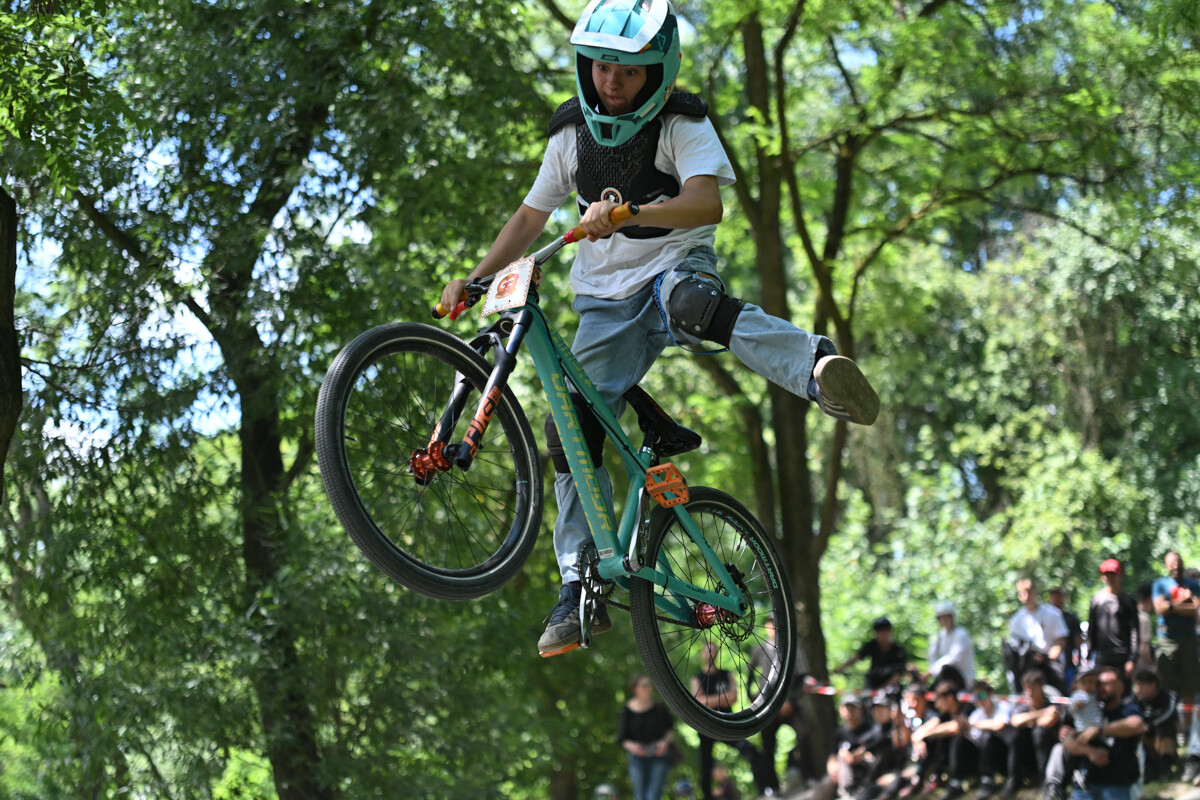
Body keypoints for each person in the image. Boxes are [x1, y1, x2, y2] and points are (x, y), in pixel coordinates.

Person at [439, 0, 880, 658]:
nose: (611, 83)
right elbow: (530, 220)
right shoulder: (570, 137)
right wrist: (475, 279)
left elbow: (708, 201)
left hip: (676, 267)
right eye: (601, 69)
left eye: (628, 72)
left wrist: (631, 213)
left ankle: (816, 371)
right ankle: (578, 582)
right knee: (570, 431)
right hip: (604, 304)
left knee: (694, 308)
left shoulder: (682, 122)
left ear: (658, 73)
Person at [690, 643, 772, 800]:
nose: (710, 653)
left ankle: (765, 790)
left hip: (727, 723)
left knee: (751, 750)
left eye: (713, 650)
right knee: (705, 766)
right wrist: (722, 698)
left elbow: (733, 698)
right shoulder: (697, 678)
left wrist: (709, 700)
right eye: (707, 650)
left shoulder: (727, 674)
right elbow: (699, 702)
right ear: (702, 654)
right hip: (706, 727)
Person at [747, 615, 816, 792]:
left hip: (789, 704)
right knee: (768, 745)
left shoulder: (793, 646)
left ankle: (808, 777)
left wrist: (791, 701)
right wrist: (752, 695)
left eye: (776, 624)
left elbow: (801, 677)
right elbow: (749, 672)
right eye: (770, 624)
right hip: (768, 706)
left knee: (804, 735)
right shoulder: (759, 648)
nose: (773, 627)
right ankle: (773, 787)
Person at [1061, 666, 1147, 800]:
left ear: (1121, 687)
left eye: (1107, 683)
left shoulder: (1128, 709)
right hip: (1086, 786)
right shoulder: (1087, 711)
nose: (1101, 688)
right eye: (1099, 684)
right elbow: (1067, 742)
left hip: (1117, 785)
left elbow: (1137, 724)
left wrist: (1098, 729)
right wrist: (1090, 752)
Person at [1151, 551, 1200, 782]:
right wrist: (1184, 602)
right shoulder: (1160, 584)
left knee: (1191, 688)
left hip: (1189, 640)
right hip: (1167, 641)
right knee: (1165, 690)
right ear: (1166, 565)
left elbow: (1197, 611)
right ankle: (1167, 736)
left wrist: (1172, 606)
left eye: (1178, 562)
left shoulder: (1192, 584)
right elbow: (1159, 609)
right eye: (1171, 563)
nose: (1175, 566)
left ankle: (1188, 733)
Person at [910, 681, 977, 800]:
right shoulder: (945, 714)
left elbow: (955, 727)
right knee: (933, 739)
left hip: (974, 755)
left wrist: (926, 733)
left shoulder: (967, 708)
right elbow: (924, 729)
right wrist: (918, 740)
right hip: (954, 759)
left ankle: (956, 783)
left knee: (957, 739)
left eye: (939, 700)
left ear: (949, 698)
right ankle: (928, 776)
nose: (936, 705)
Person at [1006, 578, 1069, 693]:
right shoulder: (1016, 620)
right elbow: (1016, 647)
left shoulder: (1052, 614)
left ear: (1035, 591)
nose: (1026, 596)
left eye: (1028, 591)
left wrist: (1048, 656)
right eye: (1021, 593)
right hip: (1027, 667)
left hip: (1050, 666)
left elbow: (1061, 641)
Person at [619, 674, 676, 800]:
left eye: (649, 685)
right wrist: (633, 747)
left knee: (653, 797)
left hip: (659, 756)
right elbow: (622, 738)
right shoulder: (627, 710)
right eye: (644, 685)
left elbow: (670, 730)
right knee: (639, 796)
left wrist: (664, 743)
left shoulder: (659, 707)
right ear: (635, 689)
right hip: (637, 759)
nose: (649, 688)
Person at [811, 694, 878, 800]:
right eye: (846, 708)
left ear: (860, 709)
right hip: (842, 772)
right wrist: (831, 766)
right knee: (823, 787)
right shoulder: (838, 734)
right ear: (841, 710)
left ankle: (848, 791)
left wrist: (858, 754)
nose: (849, 711)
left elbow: (873, 747)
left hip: (864, 768)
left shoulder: (869, 728)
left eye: (853, 708)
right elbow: (833, 755)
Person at [1009, 669, 1062, 790]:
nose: (1029, 693)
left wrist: (1028, 720)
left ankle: (1045, 782)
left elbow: (1048, 722)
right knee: (1016, 735)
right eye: (1026, 689)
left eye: (1032, 688)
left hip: (1047, 751)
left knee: (1039, 733)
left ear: (1041, 686)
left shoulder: (1051, 705)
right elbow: (1015, 721)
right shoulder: (1024, 707)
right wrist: (1042, 713)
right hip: (1027, 753)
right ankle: (1014, 780)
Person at [1087, 559, 1139, 680]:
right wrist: (1089, 656)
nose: (1110, 578)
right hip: (1102, 656)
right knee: (1102, 691)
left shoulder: (1128, 601)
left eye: (1113, 574)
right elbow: (1092, 630)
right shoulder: (1097, 600)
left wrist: (1132, 659)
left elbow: (1134, 631)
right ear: (1103, 577)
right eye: (1107, 574)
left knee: (1122, 692)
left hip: (1122, 656)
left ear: (1119, 575)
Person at [965, 680, 1018, 799]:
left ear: (990, 694)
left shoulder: (1003, 707)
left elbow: (999, 725)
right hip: (986, 756)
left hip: (1006, 754)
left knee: (990, 738)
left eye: (982, 695)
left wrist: (973, 724)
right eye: (976, 697)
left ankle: (988, 780)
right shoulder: (976, 714)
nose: (980, 700)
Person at [835, 617, 910, 691]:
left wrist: (882, 690)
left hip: (891, 688)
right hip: (872, 682)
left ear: (890, 631)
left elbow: (898, 675)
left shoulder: (898, 650)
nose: (883, 634)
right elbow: (857, 657)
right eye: (880, 632)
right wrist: (842, 668)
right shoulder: (871, 645)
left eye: (885, 631)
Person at [1132, 666, 1179, 781]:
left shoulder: (1168, 697)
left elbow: (1169, 714)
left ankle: (1165, 767)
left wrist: (1150, 725)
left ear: (1153, 685)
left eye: (1141, 686)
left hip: (1164, 737)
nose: (1138, 689)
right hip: (1145, 739)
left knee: (1165, 730)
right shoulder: (1136, 700)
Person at [926, 601, 975, 691]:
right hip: (946, 677)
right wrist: (931, 670)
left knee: (947, 669)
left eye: (947, 617)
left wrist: (932, 671)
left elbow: (953, 658)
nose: (944, 620)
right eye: (941, 618)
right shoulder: (941, 635)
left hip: (962, 679)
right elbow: (932, 654)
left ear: (952, 617)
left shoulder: (961, 634)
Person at [1047, 586, 1083, 683]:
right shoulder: (1045, 619)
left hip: (1068, 663)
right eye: (1054, 596)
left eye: (1059, 596)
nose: (1056, 599)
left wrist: (1079, 661)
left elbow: (1078, 641)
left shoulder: (1071, 619)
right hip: (1048, 664)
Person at [1134, 582, 1155, 670]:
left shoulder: (1132, 614)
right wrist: (1152, 665)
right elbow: (1143, 647)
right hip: (1141, 664)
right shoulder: (1144, 618)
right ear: (1151, 598)